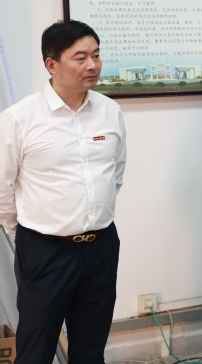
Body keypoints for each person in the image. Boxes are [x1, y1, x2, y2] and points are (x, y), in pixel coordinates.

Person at [0, 20, 127, 363]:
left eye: (96, 55)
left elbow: (115, 172)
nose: (92, 65)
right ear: (51, 64)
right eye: (80, 57)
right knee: (36, 349)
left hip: (101, 246)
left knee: (91, 348)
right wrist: (22, 229)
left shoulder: (110, 111)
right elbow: (2, 185)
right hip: (45, 250)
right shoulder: (19, 118)